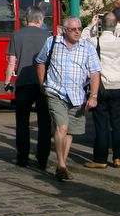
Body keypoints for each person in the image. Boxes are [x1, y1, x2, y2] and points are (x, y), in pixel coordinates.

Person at [36, 16, 102, 181]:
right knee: (62, 127)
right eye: (73, 29)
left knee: (70, 132)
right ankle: (61, 164)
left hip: (77, 96)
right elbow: (40, 61)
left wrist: (93, 95)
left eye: (79, 29)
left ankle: (62, 164)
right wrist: (42, 84)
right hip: (55, 92)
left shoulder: (87, 47)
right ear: (64, 30)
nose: (77, 32)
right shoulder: (52, 42)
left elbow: (95, 72)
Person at [4, 6, 51, 169]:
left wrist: (7, 81)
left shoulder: (16, 35)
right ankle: (42, 159)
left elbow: (12, 62)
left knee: (22, 122)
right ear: (40, 20)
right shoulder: (48, 36)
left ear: (27, 19)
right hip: (43, 83)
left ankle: (22, 157)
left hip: (23, 83)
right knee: (44, 122)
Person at [82, 13, 120, 168]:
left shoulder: (94, 41)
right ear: (116, 25)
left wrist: (91, 25)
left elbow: (82, 38)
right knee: (118, 122)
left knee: (101, 123)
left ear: (101, 25)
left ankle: (100, 159)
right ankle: (118, 157)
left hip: (101, 87)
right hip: (118, 86)